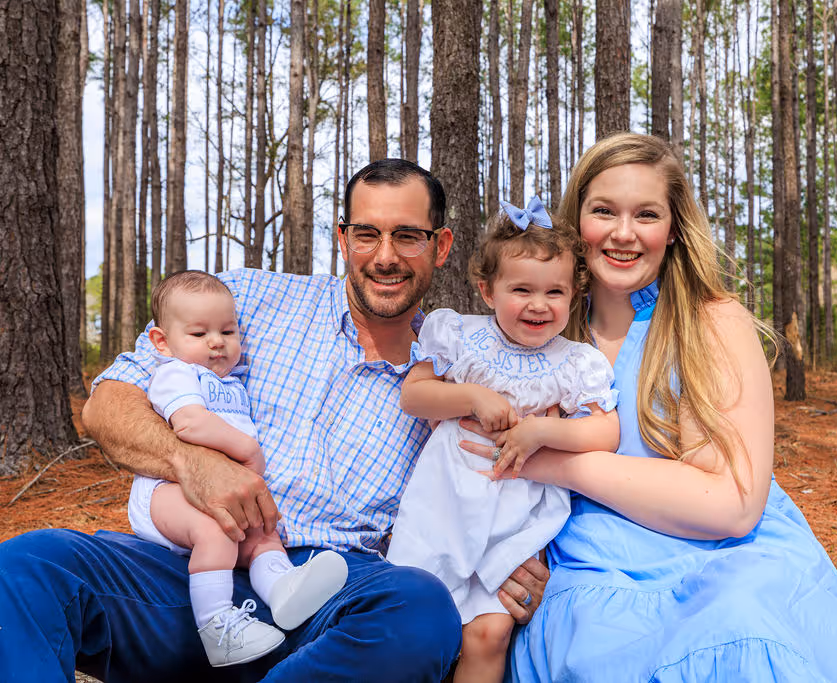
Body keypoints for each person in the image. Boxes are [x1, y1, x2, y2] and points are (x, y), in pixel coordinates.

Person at [0, 159, 546, 682]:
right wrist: (189, 462)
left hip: (331, 595)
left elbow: (486, 490)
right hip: (191, 567)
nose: (385, 256)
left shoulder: (455, 373)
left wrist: (496, 558)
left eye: (408, 236)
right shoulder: (248, 300)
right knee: (30, 566)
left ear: (441, 245)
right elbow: (108, 402)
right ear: (342, 239)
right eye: (366, 234)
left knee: (420, 611)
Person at [460, 133, 837, 682]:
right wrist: (502, 552)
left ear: (674, 229)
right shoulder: (536, 327)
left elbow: (727, 506)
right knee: (592, 643)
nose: (623, 233)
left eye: (647, 214)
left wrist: (545, 459)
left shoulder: (711, 322)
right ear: (576, 220)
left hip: (724, 560)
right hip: (587, 565)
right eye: (604, 211)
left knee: (738, 628)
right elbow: (472, 458)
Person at [387, 197, 619, 683]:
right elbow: (414, 396)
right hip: (446, 501)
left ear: (574, 296)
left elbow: (606, 431)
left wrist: (542, 430)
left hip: (518, 515)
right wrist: (470, 397)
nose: (539, 305)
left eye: (554, 292)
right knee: (411, 613)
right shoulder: (460, 336)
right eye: (521, 289)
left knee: (490, 632)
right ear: (488, 290)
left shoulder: (576, 361)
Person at [129, 269, 349, 667]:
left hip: (221, 495)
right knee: (217, 530)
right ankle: (216, 625)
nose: (216, 342)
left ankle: (283, 588)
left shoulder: (233, 385)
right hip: (168, 494)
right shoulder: (176, 373)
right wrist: (248, 450)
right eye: (199, 334)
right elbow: (189, 423)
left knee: (264, 534)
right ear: (162, 341)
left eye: (228, 332)